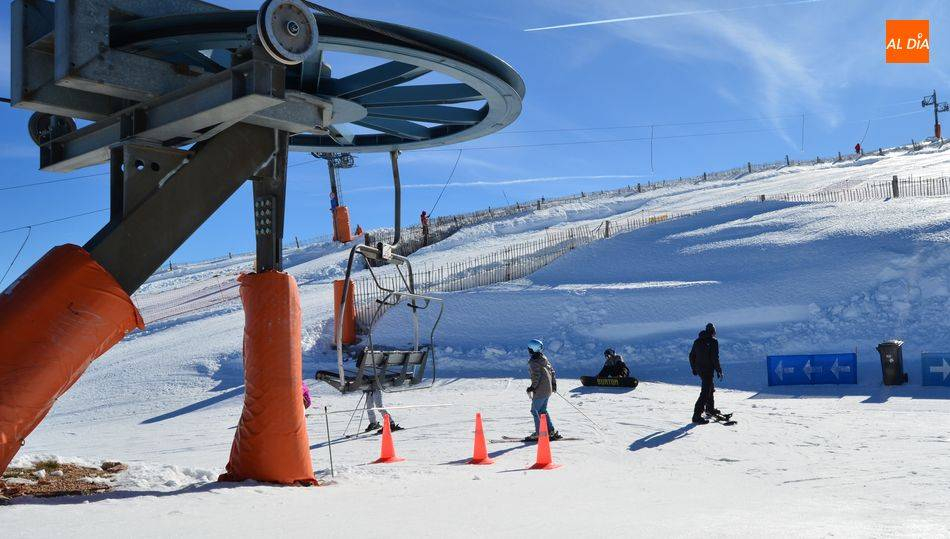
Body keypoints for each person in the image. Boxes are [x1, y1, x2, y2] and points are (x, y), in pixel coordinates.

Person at [526, 339, 561, 441]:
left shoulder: (534, 362)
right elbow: (552, 371)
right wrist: (553, 384)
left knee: (535, 411)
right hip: (548, 389)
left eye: (529, 349)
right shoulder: (543, 358)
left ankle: (539, 433)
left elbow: (536, 376)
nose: (528, 350)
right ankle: (550, 431)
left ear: (532, 350)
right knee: (542, 410)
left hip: (541, 390)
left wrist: (532, 387)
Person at [689, 323, 722, 424]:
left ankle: (709, 409)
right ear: (713, 331)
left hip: (700, 370)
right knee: (705, 392)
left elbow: (691, 356)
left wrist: (694, 368)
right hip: (707, 370)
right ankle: (696, 415)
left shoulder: (697, 341)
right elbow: (714, 358)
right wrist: (719, 370)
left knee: (710, 388)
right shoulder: (713, 341)